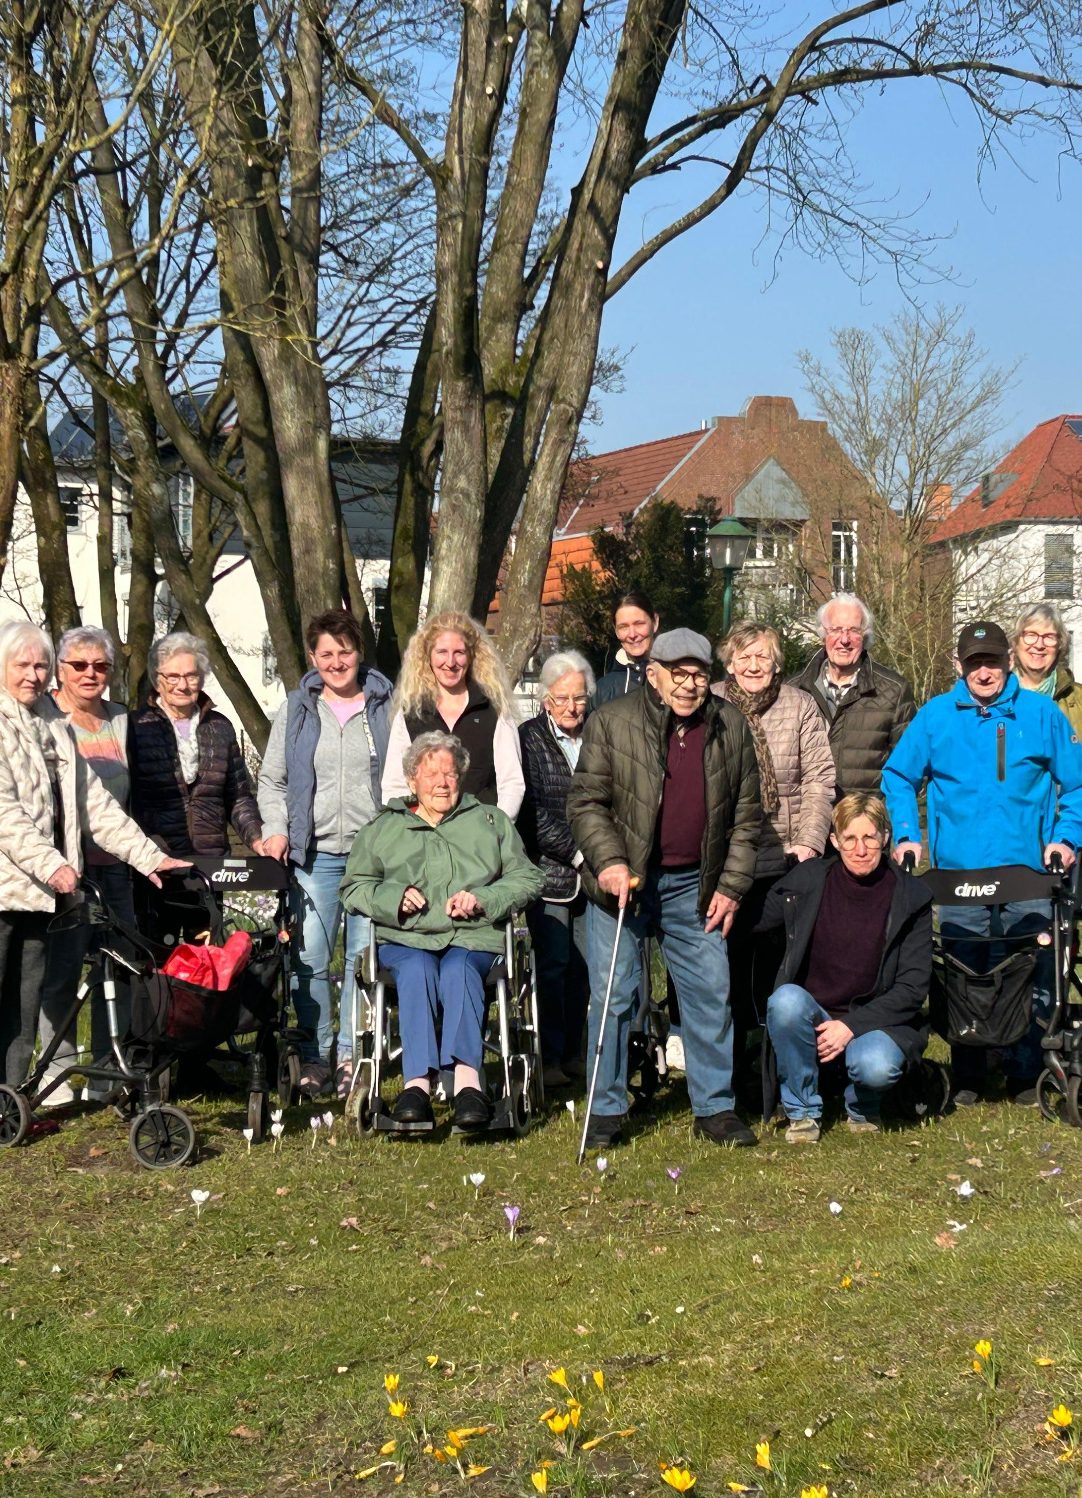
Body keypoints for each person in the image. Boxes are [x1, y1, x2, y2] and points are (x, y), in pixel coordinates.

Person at [567, 627, 761, 1150]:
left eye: (698, 674)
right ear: (653, 674)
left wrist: (732, 886)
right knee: (615, 994)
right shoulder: (612, 721)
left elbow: (746, 818)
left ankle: (716, 1108)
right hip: (624, 882)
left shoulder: (732, 726)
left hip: (695, 885)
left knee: (709, 993)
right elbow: (586, 803)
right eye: (678, 673)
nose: (690, 685)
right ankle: (606, 1109)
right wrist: (607, 862)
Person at [883, 618, 1082, 1105]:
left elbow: (1076, 785)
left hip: (1028, 872)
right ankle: (969, 1070)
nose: (984, 672)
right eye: (975, 663)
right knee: (963, 971)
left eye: (992, 661)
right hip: (959, 874)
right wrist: (908, 834)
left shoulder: (1041, 715)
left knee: (1035, 969)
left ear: (1008, 661)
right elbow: (898, 776)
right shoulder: (935, 717)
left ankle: (1027, 1071)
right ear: (959, 666)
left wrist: (1064, 837)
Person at [0, 622, 187, 1087]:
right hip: (12, 886)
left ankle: (10, 1100)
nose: (33, 674)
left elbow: (93, 801)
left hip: (40, 894)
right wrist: (55, 866)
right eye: (23, 664)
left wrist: (148, 857)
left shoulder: (50, 720)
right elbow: (4, 814)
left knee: (24, 1005)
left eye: (40, 664)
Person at [340, 731, 543, 1130]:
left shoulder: (488, 821)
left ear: (461, 778)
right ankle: (416, 1084)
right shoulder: (384, 827)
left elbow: (528, 878)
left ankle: (468, 1082)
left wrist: (483, 897)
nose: (441, 782)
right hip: (405, 940)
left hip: (471, 938)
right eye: (430, 773)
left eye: (450, 773)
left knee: (458, 969)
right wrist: (393, 897)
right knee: (417, 970)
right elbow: (353, 887)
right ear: (412, 779)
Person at [258, 609, 393, 1098]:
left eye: (346, 651)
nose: (337, 662)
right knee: (309, 958)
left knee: (361, 959)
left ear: (360, 652)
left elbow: (402, 779)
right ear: (313, 658)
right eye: (327, 653)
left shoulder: (386, 705)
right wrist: (276, 829)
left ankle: (351, 1058)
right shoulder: (296, 709)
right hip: (312, 857)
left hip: (371, 856)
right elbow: (272, 779)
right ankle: (314, 1055)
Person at [761, 793, 933, 1142]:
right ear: (834, 841)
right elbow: (759, 917)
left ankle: (863, 1106)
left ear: (885, 838)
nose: (860, 849)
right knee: (785, 1001)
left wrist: (850, 1026)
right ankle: (803, 1111)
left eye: (870, 837)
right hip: (816, 1013)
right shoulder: (809, 880)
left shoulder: (912, 896)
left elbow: (912, 989)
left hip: (875, 1019)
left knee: (877, 1066)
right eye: (850, 839)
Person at [713, 622, 835, 1102]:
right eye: (744, 656)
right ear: (729, 663)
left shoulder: (800, 705)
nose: (753, 665)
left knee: (779, 966)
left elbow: (819, 778)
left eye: (763, 656)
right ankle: (733, 1065)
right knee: (728, 962)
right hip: (728, 857)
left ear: (777, 662)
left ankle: (783, 1062)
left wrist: (807, 842)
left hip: (786, 854)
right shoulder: (714, 704)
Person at [36, 628, 138, 1105]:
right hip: (65, 867)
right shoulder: (45, 715)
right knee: (61, 970)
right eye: (79, 665)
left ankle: (104, 1074)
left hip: (115, 864)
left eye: (100, 666)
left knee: (117, 967)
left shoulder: (120, 719)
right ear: (60, 669)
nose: (90, 674)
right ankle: (56, 1076)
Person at [518, 649, 594, 1088]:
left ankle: (577, 1054)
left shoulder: (599, 734)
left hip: (596, 872)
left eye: (579, 698)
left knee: (586, 967)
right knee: (553, 964)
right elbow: (532, 813)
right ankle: (548, 1057)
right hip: (551, 872)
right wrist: (579, 853)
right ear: (546, 699)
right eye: (562, 698)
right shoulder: (529, 738)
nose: (571, 707)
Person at [382, 611, 524, 819]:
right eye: (441, 652)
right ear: (428, 656)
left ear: (471, 656)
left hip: (480, 839)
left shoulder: (493, 711)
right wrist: (409, 832)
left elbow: (511, 783)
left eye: (459, 652)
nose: (450, 662)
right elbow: (394, 786)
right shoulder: (411, 715)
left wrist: (496, 830)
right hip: (424, 840)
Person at [789, 593, 915, 797]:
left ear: (865, 637)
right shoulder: (794, 690)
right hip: (808, 824)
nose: (844, 640)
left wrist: (876, 817)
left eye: (854, 631)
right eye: (836, 630)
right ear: (823, 635)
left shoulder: (895, 691)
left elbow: (908, 770)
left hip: (866, 824)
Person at [1011, 603, 1082, 737]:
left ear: (1060, 644)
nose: (1039, 645)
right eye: (1031, 635)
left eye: (1049, 637)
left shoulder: (1079, 700)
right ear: (1016, 642)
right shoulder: (995, 697)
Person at [592, 591, 660, 707]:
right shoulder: (601, 690)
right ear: (616, 631)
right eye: (623, 627)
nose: (632, 634)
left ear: (655, 622)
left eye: (639, 624)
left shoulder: (677, 677)